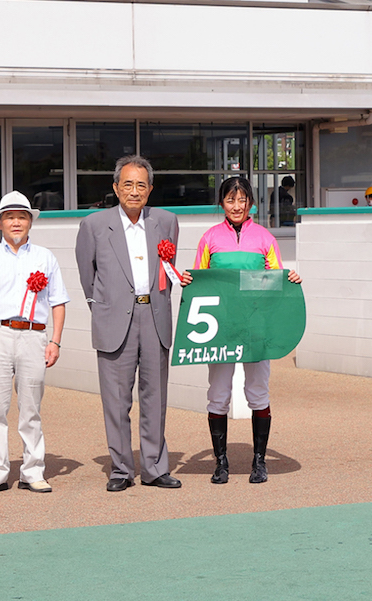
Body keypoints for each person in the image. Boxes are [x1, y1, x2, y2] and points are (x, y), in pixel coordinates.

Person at [75, 155, 192, 492]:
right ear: (115, 187)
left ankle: (155, 467)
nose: (134, 191)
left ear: (150, 189)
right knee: (116, 400)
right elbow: (88, 275)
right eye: (127, 184)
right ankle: (122, 469)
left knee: (155, 397)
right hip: (114, 320)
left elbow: (168, 270)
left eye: (141, 184)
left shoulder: (166, 221)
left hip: (154, 317)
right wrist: (105, 306)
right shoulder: (95, 225)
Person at [195, 177, 302, 484]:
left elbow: (275, 280)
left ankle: (259, 461)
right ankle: (221, 462)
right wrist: (190, 282)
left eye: (242, 200)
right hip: (221, 328)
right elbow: (201, 280)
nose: (237, 206)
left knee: (257, 392)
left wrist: (289, 278)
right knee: (218, 394)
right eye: (230, 200)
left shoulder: (265, 238)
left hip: (256, 328)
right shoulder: (209, 238)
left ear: (251, 203)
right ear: (222, 203)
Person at [0, 192, 69, 496]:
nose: (16, 222)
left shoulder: (45, 257)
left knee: (31, 408)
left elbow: (58, 302)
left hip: (34, 336)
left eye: (22, 217)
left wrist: (56, 341)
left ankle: (32, 471)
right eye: (9, 217)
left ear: (30, 222)